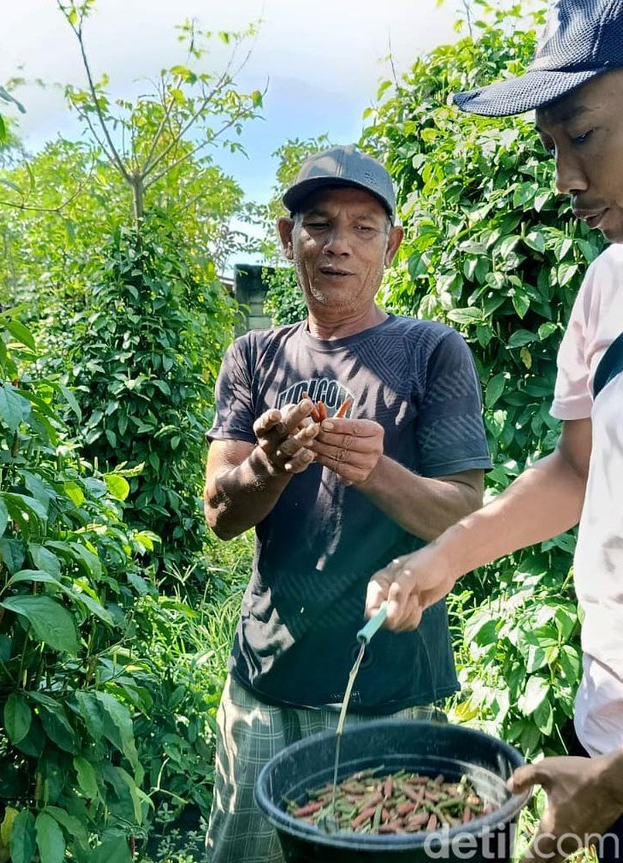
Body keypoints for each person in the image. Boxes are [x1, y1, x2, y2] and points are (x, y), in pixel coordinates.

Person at [366, 1, 623, 861]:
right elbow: (578, 469)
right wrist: (445, 555)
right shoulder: (605, 289)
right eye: (551, 146)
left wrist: (621, 781)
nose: (564, 179)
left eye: (582, 135)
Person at [202, 143, 493, 862]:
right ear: (286, 237)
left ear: (392, 245)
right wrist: (267, 467)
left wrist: (375, 470)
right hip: (268, 682)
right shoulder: (253, 357)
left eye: (364, 228)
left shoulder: (433, 352)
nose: (339, 245)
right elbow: (219, 512)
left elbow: (463, 515)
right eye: (319, 223)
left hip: (391, 689)